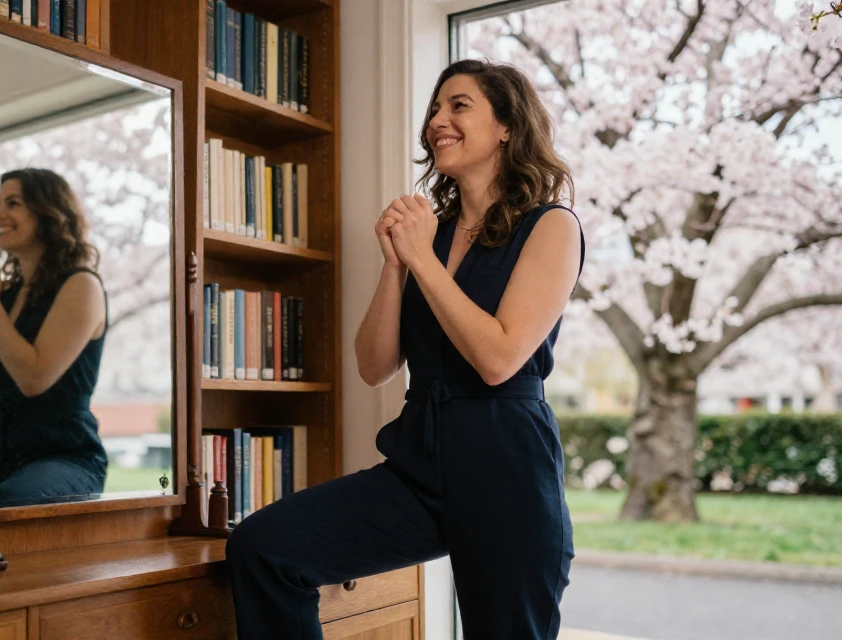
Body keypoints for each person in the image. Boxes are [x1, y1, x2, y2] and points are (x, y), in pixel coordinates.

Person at [225, 59, 585, 638]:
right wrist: (396, 265)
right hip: (420, 467)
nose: (437, 121)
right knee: (265, 548)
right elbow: (373, 367)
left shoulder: (550, 227)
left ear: (507, 128)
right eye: (434, 110)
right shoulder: (429, 235)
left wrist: (421, 259)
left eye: (458, 106)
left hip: (507, 474)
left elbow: (498, 359)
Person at [0, 168, 109, 508]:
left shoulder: (82, 285)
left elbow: (33, 378)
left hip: (66, 460)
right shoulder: (8, 295)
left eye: (13, 203)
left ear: (48, 213)